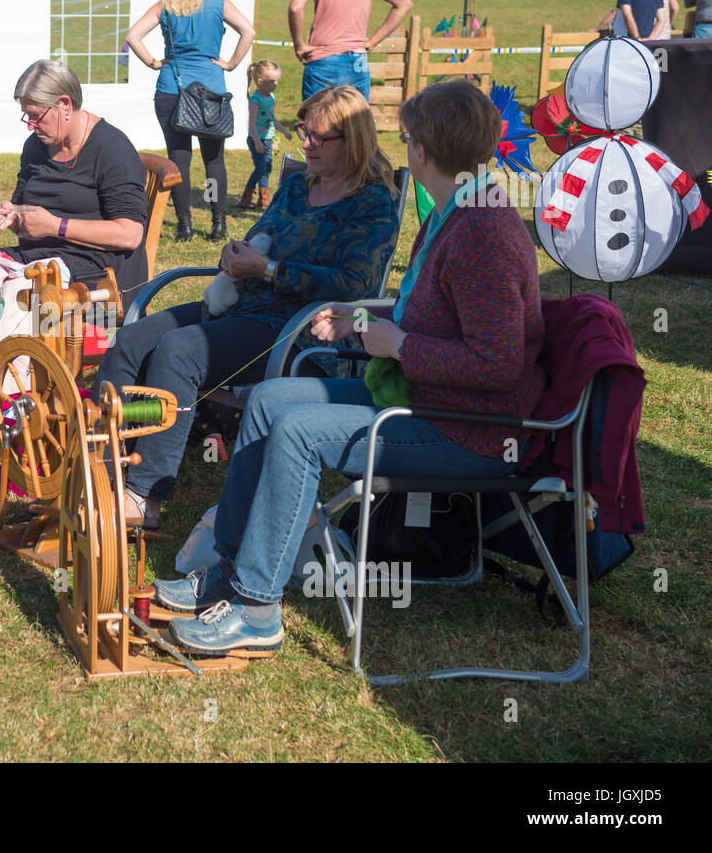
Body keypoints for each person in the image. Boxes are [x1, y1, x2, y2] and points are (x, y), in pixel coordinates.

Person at [154, 79, 545, 655]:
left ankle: (257, 608)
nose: (405, 146)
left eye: (408, 137)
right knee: (268, 402)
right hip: (426, 400)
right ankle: (228, 571)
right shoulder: (455, 212)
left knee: (299, 432)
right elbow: (427, 309)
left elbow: (499, 363)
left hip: (466, 427)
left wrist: (398, 344)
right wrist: (359, 313)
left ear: (423, 150)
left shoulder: (482, 230)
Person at [94, 86, 399, 530]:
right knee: (132, 338)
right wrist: (234, 256)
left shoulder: (371, 201)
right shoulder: (297, 186)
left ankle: (144, 496)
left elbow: (355, 285)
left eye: (318, 137)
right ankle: (101, 467)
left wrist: (271, 269)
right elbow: (260, 236)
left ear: (351, 141)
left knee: (179, 351)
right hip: (240, 307)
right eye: (303, 132)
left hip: (297, 331)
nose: (306, 143)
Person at [0, 59, 148, 452]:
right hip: (39, 258)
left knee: (19, 296)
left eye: (35, 115)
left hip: (101, 289)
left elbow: (131, 233)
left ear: (65, 104)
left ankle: (2, 419)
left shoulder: (112, 149)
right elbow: (28, 207)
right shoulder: (38, 145)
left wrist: (56, 227)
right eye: (25, 116)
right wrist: (13, 215)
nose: (30, 125)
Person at [126, 0, 256, 242]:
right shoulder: (219, 3)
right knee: (214, 161)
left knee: (178, 159)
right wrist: (231, 64)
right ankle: (218, 223)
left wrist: (154, 62)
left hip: (173, 88)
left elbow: (132, 36)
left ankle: (183, 225)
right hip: (211, 90)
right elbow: (247, 31)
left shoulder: (165, 6)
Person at [238, 59, 292, 210]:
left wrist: (285, 131)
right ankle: (246, 197)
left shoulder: (271, 97)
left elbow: (271, 118)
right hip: (257, 139)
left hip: (267, 139)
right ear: (260, 81)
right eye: (272, 81)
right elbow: (252, 123)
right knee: (261, 167)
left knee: (266, 168)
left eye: (276, 81)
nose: (276, 84)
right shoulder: (256, 99)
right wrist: (257, 142)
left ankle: (264, 199)